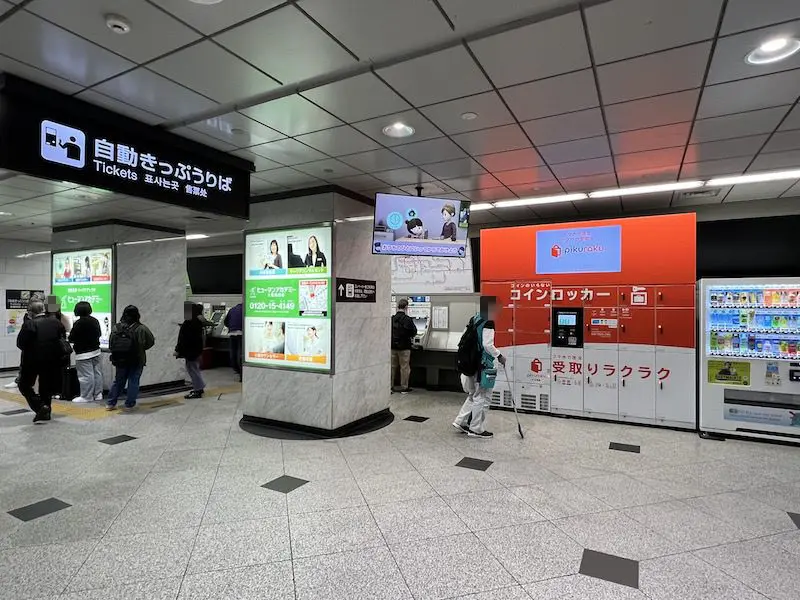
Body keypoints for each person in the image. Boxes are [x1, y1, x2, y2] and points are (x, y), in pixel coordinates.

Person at [452, 297, 506, 439]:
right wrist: (499, 355)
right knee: (482, 396)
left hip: (471, 363)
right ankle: (476, 429)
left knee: (473, 395)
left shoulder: (474, 319)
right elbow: (487, 345)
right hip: (483, 364)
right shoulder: (488, 322)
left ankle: (461, 421)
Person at [16, 300, 66, 423]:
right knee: (46, 386)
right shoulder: (56, 322)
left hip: (32, 360)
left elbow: (21, 343)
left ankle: (39, 406)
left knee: (24, 385)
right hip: (53, 360)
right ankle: (46, 411)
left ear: (31, 312)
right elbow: (62, 338)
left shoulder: (30, 324)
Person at [107, 305, 155, 412]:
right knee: (133, 381)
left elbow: (111, 344)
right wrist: (141, 348)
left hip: (120, 360)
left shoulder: (116, 328)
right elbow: (151, 342)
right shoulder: (141, 328)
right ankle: (129, 404)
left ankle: (111, 403)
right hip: (137, 359)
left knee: (118, 381)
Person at [68, 301, 103, 403]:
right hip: (96, 350)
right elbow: (99, 333)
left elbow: (71, 338)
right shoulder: (95, 320)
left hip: (83, 353)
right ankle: (98, 394)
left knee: (86, 375)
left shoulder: (79, 323)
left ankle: (86, 396)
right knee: (97, 373)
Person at [175, 303, 205, 399]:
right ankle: (199, 387)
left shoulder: (190, 322)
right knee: (194, 369)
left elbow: (184, 338)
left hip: (191, 350)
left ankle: (198, 390)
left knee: (192, 369)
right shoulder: (196, 321)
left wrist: (178, 350)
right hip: (195, 349)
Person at [391, 298, 417, 394]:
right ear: (406, 307)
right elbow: (414, 332)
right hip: (404, 347)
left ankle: (390, 386)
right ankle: (404, 387)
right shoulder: (407, 319)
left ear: (398, 307)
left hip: (392, 347)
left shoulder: (392, 318)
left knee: (392, 367)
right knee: (404, 367)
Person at [224, 302, 243, 379]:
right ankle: (242, 374)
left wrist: (231, 327)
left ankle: (236, 368)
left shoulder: (232, 310)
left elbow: (225, 322)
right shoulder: (245, 310)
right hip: (242, 333)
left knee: (233, 352)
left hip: (232, 333)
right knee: (241, 353)